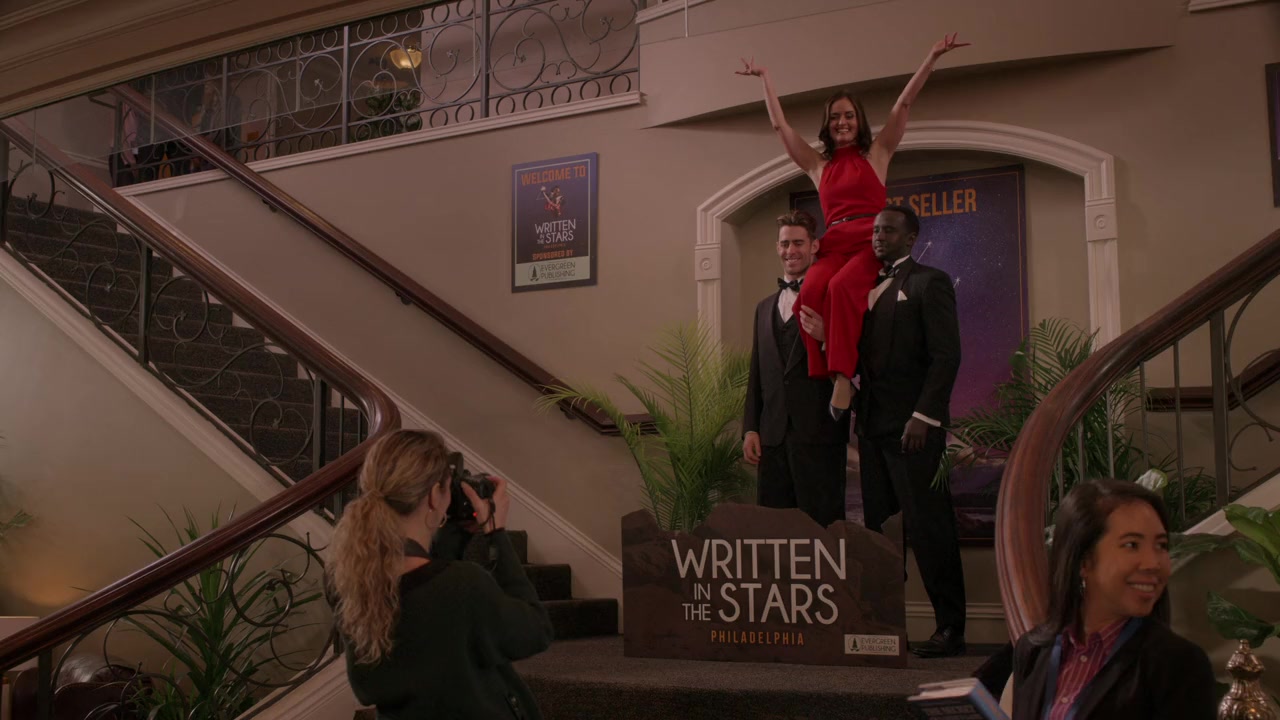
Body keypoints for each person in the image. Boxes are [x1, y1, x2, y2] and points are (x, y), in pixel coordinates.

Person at [737, 34, 970, 417]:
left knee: (842, 287)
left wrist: (931, 58)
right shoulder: (819, 166)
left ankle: (844, 376)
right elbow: (780, 127)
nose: (841, 122)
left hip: (867, 242)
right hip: (835, 243)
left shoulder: (877, 154)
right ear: (827, 125)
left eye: (848, 115)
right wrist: (765, 78)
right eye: (834, 117)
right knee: (809, 291)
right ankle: (829, 373)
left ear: (858, 121)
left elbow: (903, 104)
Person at [327, 429, 553, 720]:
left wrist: (456, 534)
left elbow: (428, 599)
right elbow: (535, 631)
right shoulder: (464, 585)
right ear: (434, 496)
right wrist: (496, 533)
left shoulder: (346, 580)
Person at [853, 205, 966, 658]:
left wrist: (924, 416)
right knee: (880, 534)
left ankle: (951, 628)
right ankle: (885, 627)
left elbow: (946, 356)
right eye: (875, 230)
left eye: (889, 230)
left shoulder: (929, 282)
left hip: (914, 429)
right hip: (871, 428)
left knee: (928, 528)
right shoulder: (863, 286)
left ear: (911, 237)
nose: (879, 236)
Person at [1011, 479, 1216, 719]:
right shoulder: (1033, 650)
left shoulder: (1179, 664)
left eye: (1161, 545)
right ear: (1083, 561)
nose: (1153, 563)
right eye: (1132, 545)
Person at [743, 210, 851, 527]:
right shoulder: (763, 308)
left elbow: (861, 357)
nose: (790, 250)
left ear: (814, 246)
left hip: (820, 434)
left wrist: (828, 337)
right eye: (785, 243)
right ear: (777, 248)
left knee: (823, 530)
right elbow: (757, 374)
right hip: (772, 437)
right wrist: (751, 428)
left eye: (798, 243)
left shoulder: (835, 296)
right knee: (774, 531)